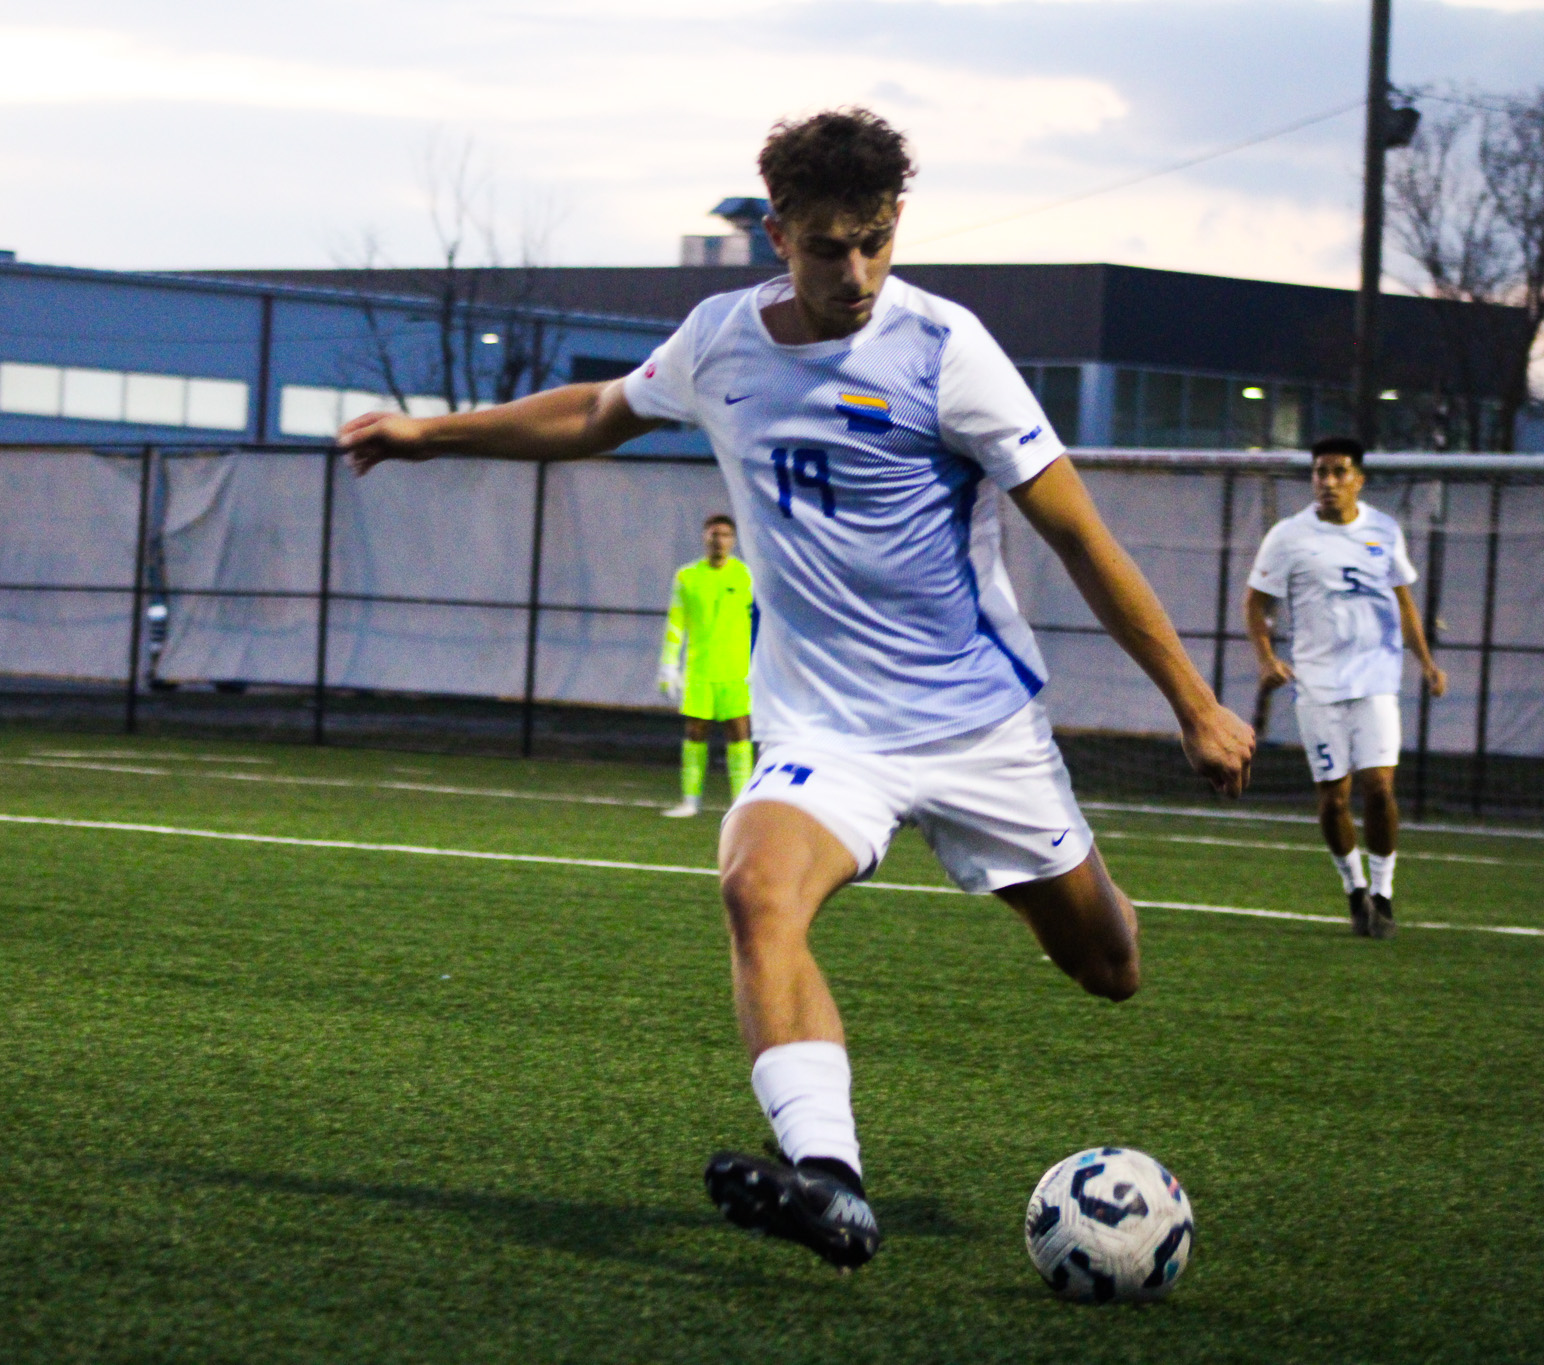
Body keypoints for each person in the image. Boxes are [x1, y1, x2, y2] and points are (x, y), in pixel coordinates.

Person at [337, 108, 1253, 1272]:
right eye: (828, 245)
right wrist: (429, 436)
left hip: (975, 727)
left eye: (874, 240)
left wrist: (1192, 700)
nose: (856, 271)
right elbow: (593, 412)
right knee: (754, 884)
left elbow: (1075, 534)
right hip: (827, 733)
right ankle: (829, 1178)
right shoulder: (722, 341)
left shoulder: (944, 349)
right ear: (776, 234)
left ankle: (1068, 919)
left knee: (1108, 968)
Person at [1244, 435, 1445, 938]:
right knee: (1334, 799)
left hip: (1377, 679)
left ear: (1359, 479)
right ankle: (1353, 888)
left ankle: (1384, 893)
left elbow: (1403, 601)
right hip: (1317, 685)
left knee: (1379, 789)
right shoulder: (1288, 537)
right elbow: (1255, 604)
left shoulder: (1383, 529)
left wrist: (1426, 661)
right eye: (1320, 473)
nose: (1328, 483)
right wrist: (1266, 659)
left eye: (1338, 473)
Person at [657, 513, 755, 818]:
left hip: (737, 671)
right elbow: (676, 623)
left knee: (739, 733)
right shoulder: (687, 576)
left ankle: (742, 803)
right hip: (699, 669)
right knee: (695, 731)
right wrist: (668, 666)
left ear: (733, 540)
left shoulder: (747, 576)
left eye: (725, 535)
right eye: (714, 535)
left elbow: (761, 624)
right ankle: (690, 801)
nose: (719, 541)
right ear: (704, 538)